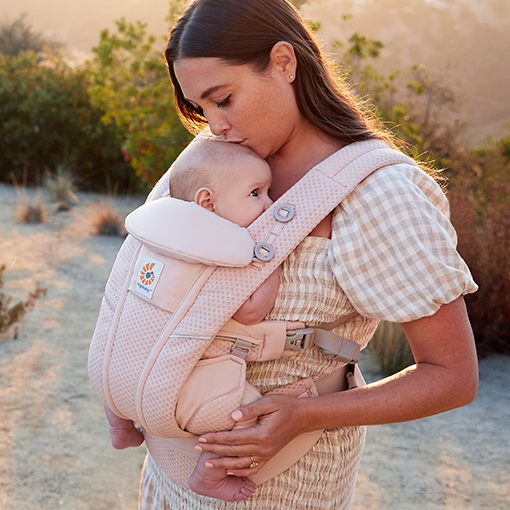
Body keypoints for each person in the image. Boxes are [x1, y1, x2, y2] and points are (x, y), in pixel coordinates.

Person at [118, 0, 478, 508]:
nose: (213, 124)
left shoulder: (378, 194)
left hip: (285, 482)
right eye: (202, 106)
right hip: (171, 472)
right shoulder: (215, 161)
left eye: (223, 98)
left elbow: (453, 377)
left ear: (284, 62)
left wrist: (306, 415)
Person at [103, 139, 280, 502]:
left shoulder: (156, 230)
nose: (270, 203)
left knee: (118, 367)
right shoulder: (225, 249)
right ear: (207, 203)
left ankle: (119, 426)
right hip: (178, 391)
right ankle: (209, 474)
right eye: (256, 193)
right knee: (245, 418)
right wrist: (270, 267)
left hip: (110, 372)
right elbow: (250, 311)